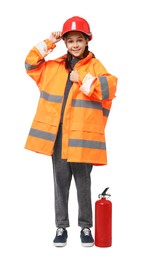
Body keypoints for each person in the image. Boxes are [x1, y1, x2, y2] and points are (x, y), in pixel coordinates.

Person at [24, 16, 117, 247]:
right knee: (60, 182)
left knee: (83, 183)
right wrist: (49, 42)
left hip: (82, 137)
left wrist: (83, 80)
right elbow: (30, 64)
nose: (75, 44)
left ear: (87, 41)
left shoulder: (95, 66)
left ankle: (86, 227)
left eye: (79, 40)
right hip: (58, 136)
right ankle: (61, 227)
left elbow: (109, 87)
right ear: (65, 42)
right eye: (70, 40)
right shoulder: (53, 67)